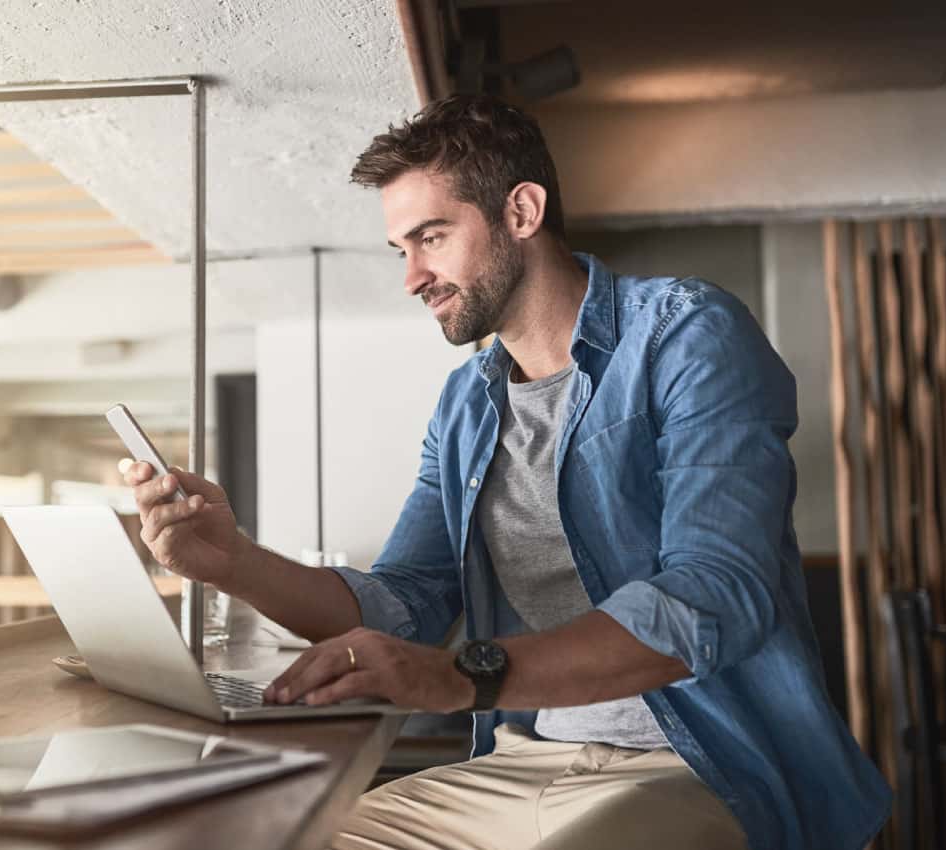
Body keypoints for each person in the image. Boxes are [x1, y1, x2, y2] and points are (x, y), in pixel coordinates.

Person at [124, 94, 890, 850]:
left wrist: (463, 676)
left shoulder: (687, 335)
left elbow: (716, 594)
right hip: (522, 762)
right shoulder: (465, 403)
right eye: (402, 250)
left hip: (700, 765)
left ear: (521, 212)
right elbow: (406, 604)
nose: (412, 277)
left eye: (431, 237)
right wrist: (235, 562)